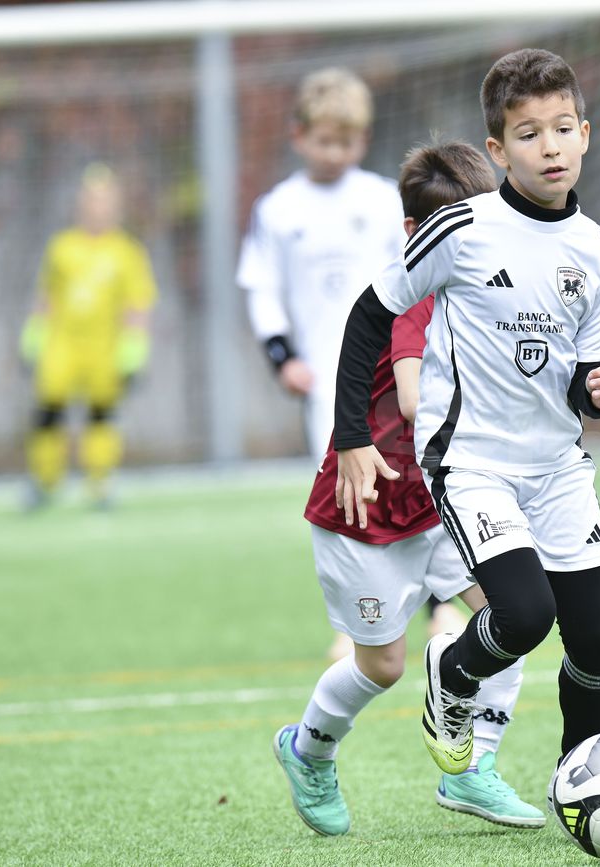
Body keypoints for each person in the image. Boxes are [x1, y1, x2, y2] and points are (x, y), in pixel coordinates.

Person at [332, 49, 600, 777]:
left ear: (585, 135)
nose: (550, 147)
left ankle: (581, 779)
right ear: (498, 151)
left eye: (563, 128)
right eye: (529, 134)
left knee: (597, 639)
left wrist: (595, 390)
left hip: (557, 465)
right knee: (525, 614)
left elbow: (581, 379)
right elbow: (370, 315)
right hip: (470, 461)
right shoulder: (461, 228)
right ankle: (454, 674)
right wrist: (352, 437)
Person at [272, 140, 543, 837]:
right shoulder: (413, 297)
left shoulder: (490, 294)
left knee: (513, 618)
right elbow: (420, 400)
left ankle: (471, 768)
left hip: (444, 503)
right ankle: (308, 750)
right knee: (383, 665)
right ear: (412, 233)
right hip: (365, 512)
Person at [237, 67, 466, 658]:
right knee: (349, 486)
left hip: (402, 363)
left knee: (423, 473)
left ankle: (440, 605)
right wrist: (282, 356)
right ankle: (358, 618)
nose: (334, 153)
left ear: (363, 140)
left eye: (346, 142)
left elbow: (421, 271)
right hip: (329, 378)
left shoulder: (383, 199)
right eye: (324, 141)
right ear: (299, 136)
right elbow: (261, 287)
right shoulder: (277, 209)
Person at [21, 163, 157, 509]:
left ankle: (100, 482)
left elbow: (137, 304)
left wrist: (134, 347)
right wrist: (34, 334)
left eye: (105, 201)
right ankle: (44, 480)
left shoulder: (126, 251)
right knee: (49, 409)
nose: (98, 208)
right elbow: (47, 296)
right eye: (92, 200)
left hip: (104, 347)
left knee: (101, 413)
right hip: (62, 344)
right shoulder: (62, 247)